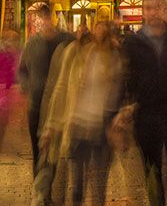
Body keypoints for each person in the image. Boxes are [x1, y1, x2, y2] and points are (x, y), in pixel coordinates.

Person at [43, 21, 123, 206]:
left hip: (100, 129)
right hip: (77, 127)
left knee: (98, 186)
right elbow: (61, 88)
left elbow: (119, 94)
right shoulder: (73, 53)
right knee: (77, 184)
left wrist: (117, 119)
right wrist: (51, 125)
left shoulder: (113, 59)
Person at [123, 0, 167, 206]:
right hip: (145, 112)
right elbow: (127, 75)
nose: (153, 13)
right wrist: (126, 104)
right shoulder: (134, 42)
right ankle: (157, 200)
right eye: (148, 8)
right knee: (151, 166)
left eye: (157, 8)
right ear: (143, 12)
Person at [19, 4, 72, 173]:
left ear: (53, 18)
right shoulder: (32, 43)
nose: (45, 22)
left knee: (54, 147)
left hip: (59, 103)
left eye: (47, 18)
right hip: (36, 102)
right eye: (41, 19)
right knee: (37, 145)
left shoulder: (65, 40)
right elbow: (22, 70)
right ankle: (39, 183)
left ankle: (46, 183)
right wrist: (27, 87)